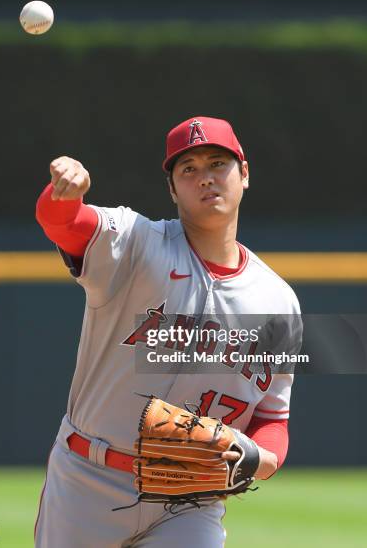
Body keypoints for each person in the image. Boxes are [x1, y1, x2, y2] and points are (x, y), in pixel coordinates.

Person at [34, 116, 301, 548]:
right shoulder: (137, 243)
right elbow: (63, 223)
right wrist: (62, 193)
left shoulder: (278, 302)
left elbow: (272, 418)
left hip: (191, 498)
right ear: (173, 189)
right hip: (88, 480)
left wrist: (266, 457)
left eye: (218, 163)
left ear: (244, 174)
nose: (205, 178)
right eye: (188, 169)